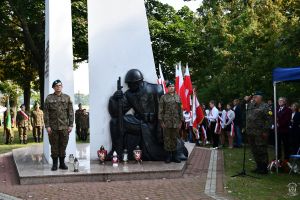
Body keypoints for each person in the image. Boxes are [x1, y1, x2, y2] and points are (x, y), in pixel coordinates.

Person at [109, 69, 187, 161]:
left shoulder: (156, 89)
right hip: (140, 122)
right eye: (128, 83)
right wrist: (115, 98)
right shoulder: (129, 94)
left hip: (155, 122)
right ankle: (115, 151)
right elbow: (116, 112)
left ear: (139, 82)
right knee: (115, 122)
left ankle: (176, 152)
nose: (129, 86)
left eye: (131, 84)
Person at [44, 79, 74, 171]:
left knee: (63, 145)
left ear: (62, 86)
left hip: (64, 127)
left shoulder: (67, 98)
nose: (58, 87)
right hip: (53, 127)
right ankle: (54, 164)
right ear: (53, 87)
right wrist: (47, 126)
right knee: (54, 146)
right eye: (57, 86)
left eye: (60, 85)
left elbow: (71, 112)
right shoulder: (49, 98)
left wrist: (71, 125)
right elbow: (46, 113)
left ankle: (62, 163)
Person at [244, 92, 272, 174]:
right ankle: (258, 166)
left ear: (260, 98)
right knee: (254, 150)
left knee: (261, 150)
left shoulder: (265, 106)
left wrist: (265, 131)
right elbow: (244, 109)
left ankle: (264, 168)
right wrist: (246, 100)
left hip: (260, 133)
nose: (254, 99)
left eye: (255, 97)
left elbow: (269, 120)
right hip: (251, 132)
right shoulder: (251, 105)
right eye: (253, 97)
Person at [159, 81, 183, 163]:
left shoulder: (178, 97)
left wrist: (181, 121)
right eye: (170, 86)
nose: (172, 87)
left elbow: (180, 110)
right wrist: (161, 121)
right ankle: (168, 156)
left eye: (173, 86)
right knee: (167, 139)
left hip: (176, 122)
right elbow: (160, 110)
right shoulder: (163, 97)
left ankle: (175, 155)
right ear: (167, 88)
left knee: (175, 138)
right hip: (167, 122)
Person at [276, 97, 292, 161]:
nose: (280, 101)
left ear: (285, 102)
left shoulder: (288, 110)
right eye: (279, 100)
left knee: (286, 145)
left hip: (284, 130)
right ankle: (278, 158)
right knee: (278, 144)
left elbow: (286, 120)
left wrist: (278, 124)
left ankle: (286, 158)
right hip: (277, 130)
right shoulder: (276, 109)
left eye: (281, 100)